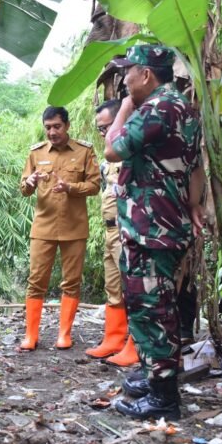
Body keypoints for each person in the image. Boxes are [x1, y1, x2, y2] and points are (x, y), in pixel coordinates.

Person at [103, 45, 205, 421]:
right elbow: (194, 166)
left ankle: (163, 397)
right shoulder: (183, 107)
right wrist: (194, 204)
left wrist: (126, 108)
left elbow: (113, 150)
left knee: (151, 307)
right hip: (164, 222)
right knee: (156, 304)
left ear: (146, 74)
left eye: (127, 71)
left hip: (151, 226)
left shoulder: (155, 109)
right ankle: (154, 375)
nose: (124, 79)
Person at [19, 106, 101, 351]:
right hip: (43, 226)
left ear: (67, 125)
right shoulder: (36, 152)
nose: (52, 132)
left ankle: (64, 334)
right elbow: (23, 188)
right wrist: (30, 182)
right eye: (48, 127)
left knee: (72, 282)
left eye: (57, 126)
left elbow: (95, 185)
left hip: (74, 226)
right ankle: (30, 335)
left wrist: (71, 188)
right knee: (36, 281)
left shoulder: (84, 151)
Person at [85, 100, 138, 367]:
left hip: (127, 228)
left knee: (132, 286)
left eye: (106, 127)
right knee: (113, 285)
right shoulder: (112, 155)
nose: (103, 133)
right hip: (109, 229)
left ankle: (134, 344)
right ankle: (114, 338)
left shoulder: (131, 149)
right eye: (100, 129)